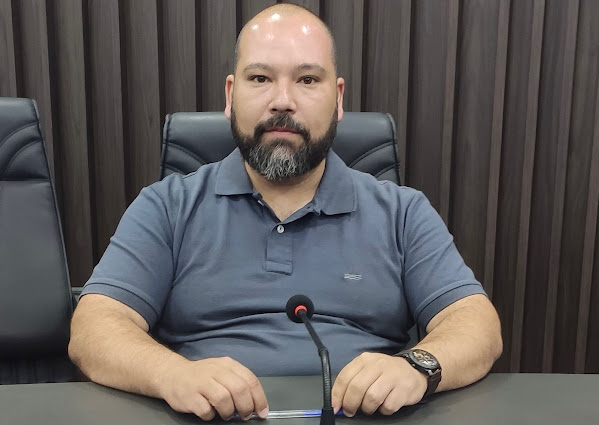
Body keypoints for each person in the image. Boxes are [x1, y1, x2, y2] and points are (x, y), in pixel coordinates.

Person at [69, 3, 502, 422]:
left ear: (337, 99)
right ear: (231, 95)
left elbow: (475, 324)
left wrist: (416, 367)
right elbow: (94, 327)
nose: (282, 101)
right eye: (260, 78)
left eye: (307, 80)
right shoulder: (167, 206)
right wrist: (171, 374)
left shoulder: (402, 212)